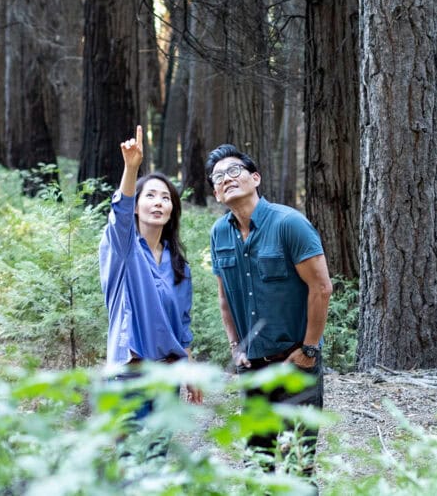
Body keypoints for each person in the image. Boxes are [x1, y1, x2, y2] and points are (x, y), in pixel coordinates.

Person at [206, 144, 333, 475]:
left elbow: (321, 288)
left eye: (234, 171)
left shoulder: (289, 223)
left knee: (296, 466)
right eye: (218, 177)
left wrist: (309, 349)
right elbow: (225, 297)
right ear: (216, 192)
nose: (227, 179)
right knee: (256, 464)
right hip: (253, 368)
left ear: (255, 178)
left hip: (296, 364)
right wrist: (236, 347)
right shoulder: (219, 233)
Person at [100, 125, 202, 430]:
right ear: (137, 205)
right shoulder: (123, 249)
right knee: (133, 466)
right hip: (129, 376)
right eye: (151, 196)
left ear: (173, 210)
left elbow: (182, 328)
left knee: (157, 462)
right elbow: (120, 215)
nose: (159, 202)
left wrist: (189, 371)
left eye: (166, 198)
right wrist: (131, 168)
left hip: (167, 378)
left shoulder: (179, 264)